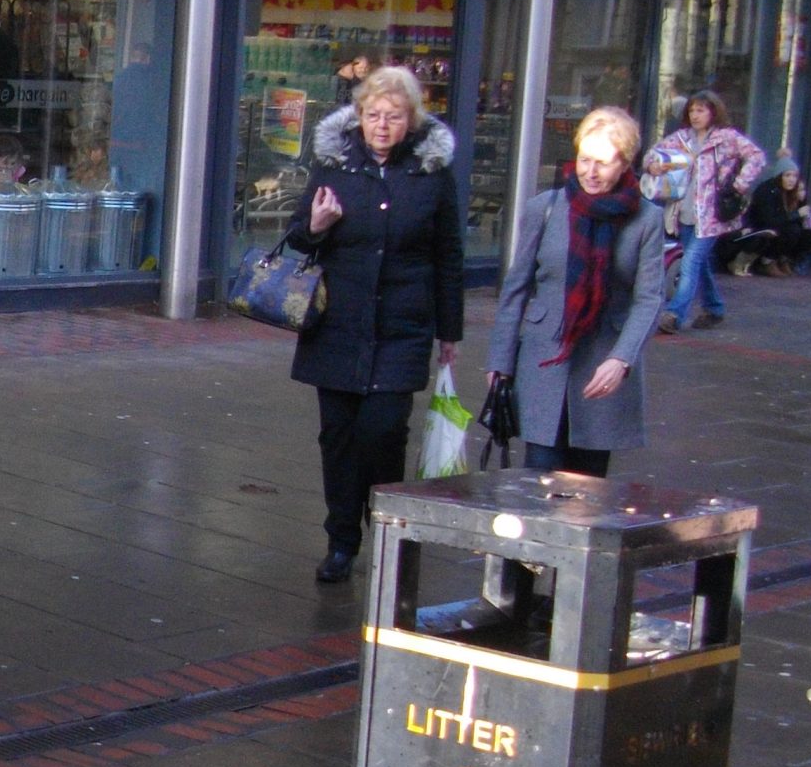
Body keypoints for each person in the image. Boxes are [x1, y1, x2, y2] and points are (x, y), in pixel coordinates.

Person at [281, 65, 464, 585]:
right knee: (338, 436)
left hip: (401, 326)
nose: (382, 126)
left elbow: (449, 255)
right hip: (337, 323)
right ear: (359, 116)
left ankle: (386, 532)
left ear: (412, 121)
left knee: (384, 433)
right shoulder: (334, 165)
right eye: (373, 115)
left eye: (394, 117)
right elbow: (299, 235)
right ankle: (341, 540)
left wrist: (448, 332)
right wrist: (316, 227)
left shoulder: (431, 175)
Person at [483, 107, 664, 479]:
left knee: (589, 490)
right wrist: (500, 359)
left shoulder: (646, 219)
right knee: (537, 481)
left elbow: (648, 298)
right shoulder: (544, 209)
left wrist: (622, 360)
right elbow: (516, 289)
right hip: (544, 359)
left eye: (603, 162)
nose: (590, 172)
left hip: (602, 362)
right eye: (584, 159)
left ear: (625, 164)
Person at [646, 90, 763, 333]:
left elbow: (756, 156)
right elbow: (652, 153)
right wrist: (653, 166)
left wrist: (740, 184)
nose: (695, 115)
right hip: (684, 211)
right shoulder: (682, 138)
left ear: (713, 111)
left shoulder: (726, 138)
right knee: (700, 263)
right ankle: (714, 307)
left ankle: (674, 315)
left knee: (690, 261)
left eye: (701, 110)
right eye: (692, 110)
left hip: (711, 215)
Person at [737, 160, 811, 276]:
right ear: (779, 176)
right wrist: (796, 214)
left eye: (794, 176)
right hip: (761, 227)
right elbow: (770, 220)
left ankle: (785, 259)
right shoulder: (767, 190)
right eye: (787, 175)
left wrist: (801, 203)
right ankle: (767, 261)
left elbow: (800, 221)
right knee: (791, 230)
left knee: (807, 233)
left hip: (781, 227)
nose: (791, 179)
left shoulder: (793, 191)